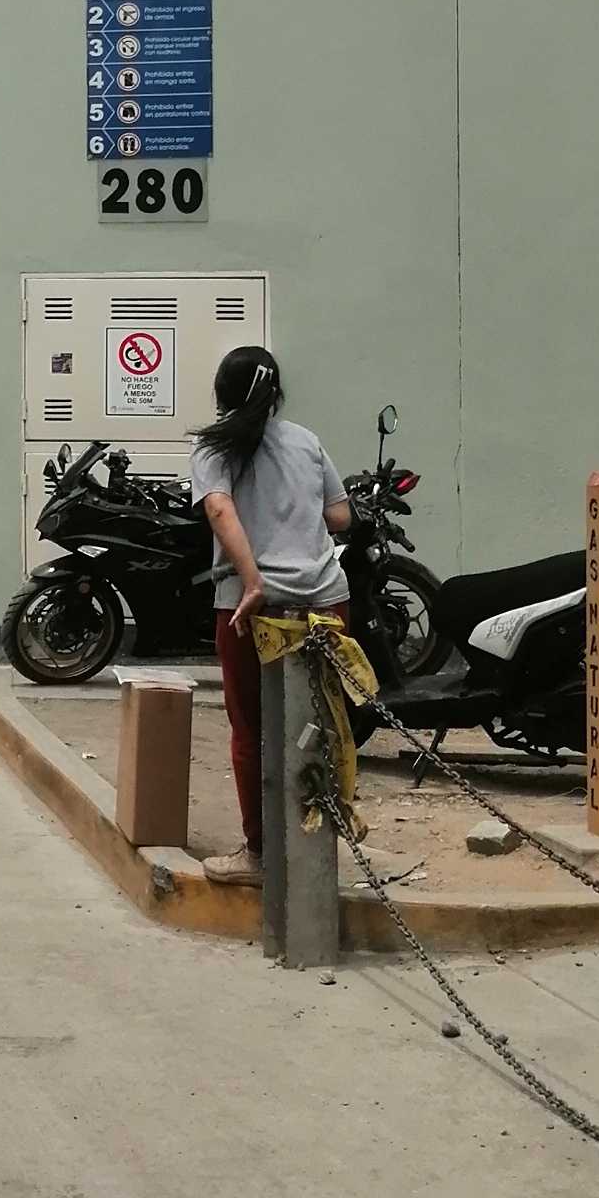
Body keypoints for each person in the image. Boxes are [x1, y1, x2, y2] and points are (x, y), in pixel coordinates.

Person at [185, 345, 351, 871]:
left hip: (251, 610)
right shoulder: (306, 440)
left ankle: (259, 853)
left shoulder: (213, 446)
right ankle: (316, 850)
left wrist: (254, 579)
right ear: (277, 393)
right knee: (319, 726)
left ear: (220, 392)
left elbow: (218, 508)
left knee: (250, 731)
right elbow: (340, 516)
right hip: (327, 602)